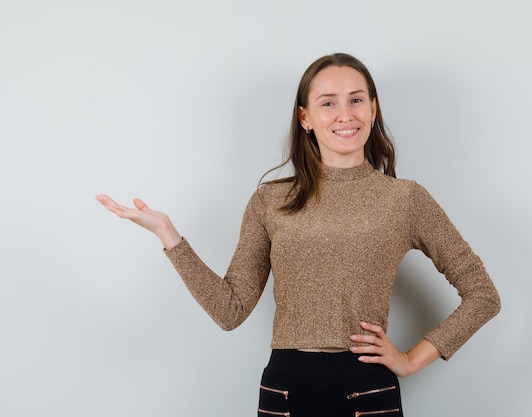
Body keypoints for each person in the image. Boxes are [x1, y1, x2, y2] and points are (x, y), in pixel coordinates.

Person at [96, 52, 500, 417]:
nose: (345, 114)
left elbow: (483, 295)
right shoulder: (270, 201)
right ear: (305, 117)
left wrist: (411, 360)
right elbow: (230, 310)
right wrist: (169, 236)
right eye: (328, 103)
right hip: (286, 389)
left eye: (356, 99)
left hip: (367, 391)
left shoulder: (405, 199)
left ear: (373, 110)